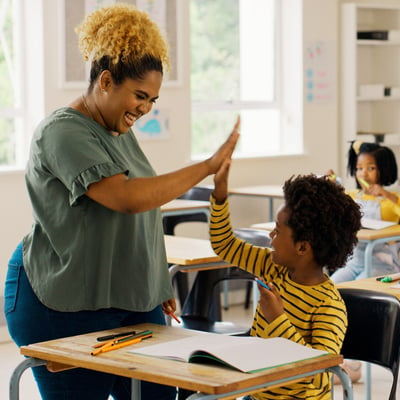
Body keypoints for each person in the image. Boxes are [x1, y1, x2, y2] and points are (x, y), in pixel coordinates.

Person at [3, 4, 239, 400]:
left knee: (159, 395)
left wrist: (155, 279)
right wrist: (206, 167)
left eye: (153, 100)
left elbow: (145, 206)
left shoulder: (117, 129)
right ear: (107, 81)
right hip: (61, 302)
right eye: (140, 96)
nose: (145, 109)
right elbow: (126, 199)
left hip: (129, 298)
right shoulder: (62, 132)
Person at [209, 161, 362, 399]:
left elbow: (319, 371)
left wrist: (277, 319)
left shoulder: (328, 305)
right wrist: (219, 197)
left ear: (302, 247)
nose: (271, 235)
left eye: (277, 230)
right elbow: (224, 245)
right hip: (256, 395)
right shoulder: (271, 266)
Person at [329, 140, 400, 283]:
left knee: (358, 287)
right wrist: (333, 183)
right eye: (359, 168)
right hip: (355, 261)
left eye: (371, 168)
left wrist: (388, 196)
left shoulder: (391, 199)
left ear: (383, 170)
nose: (364, 174)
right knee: (333, 284)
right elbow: (337, 201)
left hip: (384, 264)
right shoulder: (354, 195)